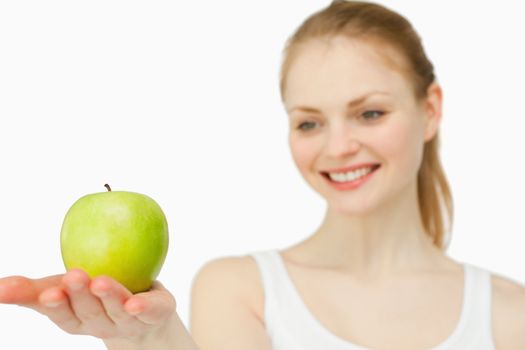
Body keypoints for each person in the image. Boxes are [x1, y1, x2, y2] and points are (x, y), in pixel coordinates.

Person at [1, 1, 524, 349]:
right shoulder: (240, 290)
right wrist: (148, 340)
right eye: (310, 122)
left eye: (370, 113)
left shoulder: (510, 314)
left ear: (430, 108)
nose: (338, 147)